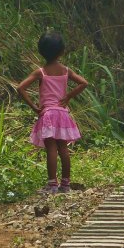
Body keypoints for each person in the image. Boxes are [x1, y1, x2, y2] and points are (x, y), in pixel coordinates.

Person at [17, 31, 88, 194]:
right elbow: (84, 83)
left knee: (51, 148)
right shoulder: (66, 71)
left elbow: (20, 87)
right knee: (63, 148)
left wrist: (34, 107)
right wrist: (68, 96)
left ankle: (52, 185)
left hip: (48, 114)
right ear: (62, 51)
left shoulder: (40, 72)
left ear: (41, 51)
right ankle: (66, 184)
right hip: (62, 113)